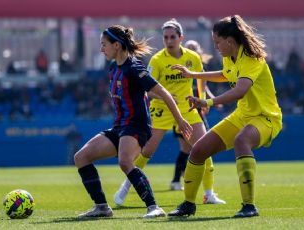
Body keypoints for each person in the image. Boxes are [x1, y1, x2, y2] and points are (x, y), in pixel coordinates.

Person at [167, 15, 283, 218]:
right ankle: (188, 204)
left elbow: (239, 91)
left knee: (242, 140)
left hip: (266, 118)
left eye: (217, 42)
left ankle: (249, 206)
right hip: (242, 116)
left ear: (229, 41)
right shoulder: (230, 56)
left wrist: (208, 102)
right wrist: (193, 75)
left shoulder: (252, 58)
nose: (216, 46)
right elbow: (225, 74)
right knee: (199, 150)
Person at [73, 25, 193, 218]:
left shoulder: (134, 67)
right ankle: (102, 207)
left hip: (137, 125)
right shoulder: (114, 68)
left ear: (117, 45)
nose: (101, 49)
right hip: (120, 126)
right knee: (80, 157)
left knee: (125, 162)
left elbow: (163, 92)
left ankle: (154, 207)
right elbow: (148, 92)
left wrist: (179, 120)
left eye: (104, 44)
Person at [113, 19, 225, 206]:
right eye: (166, 37)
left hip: (187, 110)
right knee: (146, 152)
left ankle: (209, 194)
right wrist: (162, 95)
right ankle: (124, 189)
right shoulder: (157, 60)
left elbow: (201, 78)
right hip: (162, 110)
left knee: (204, 149)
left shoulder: (193, 58)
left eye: (173, 36)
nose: (169, 40)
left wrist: (203, 97)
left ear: (180, 37)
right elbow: (146, 89)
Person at [169, 40, 225, 206]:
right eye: (189, 48)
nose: (190, 50)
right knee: (189, 148)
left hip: (198, 111)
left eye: (194, 48)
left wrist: (210, 100)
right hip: (183, 112)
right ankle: (183, 182)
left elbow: (203, 85)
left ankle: (182, 182)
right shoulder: (180, 67)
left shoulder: (198, 67)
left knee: (191, 148)